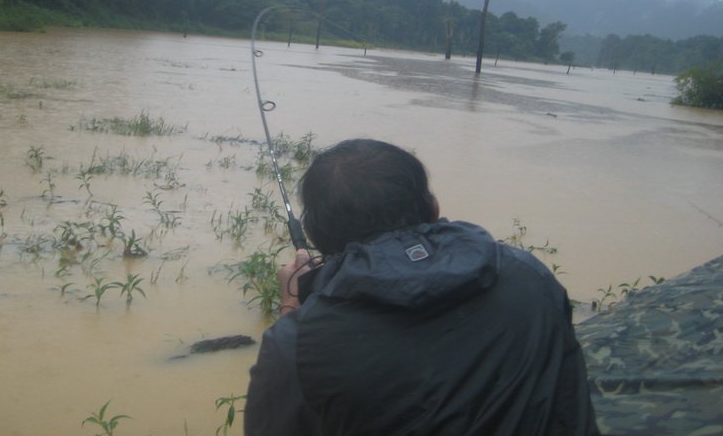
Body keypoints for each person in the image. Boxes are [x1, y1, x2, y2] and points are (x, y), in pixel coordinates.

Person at [245, 139, 599, 435]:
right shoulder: (527, 273)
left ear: (319, 238)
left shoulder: (296, 343)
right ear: (433, 208)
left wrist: (292, 303)